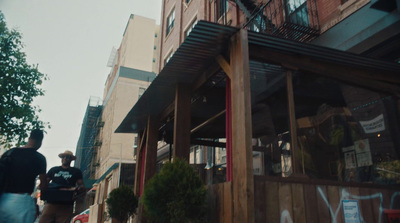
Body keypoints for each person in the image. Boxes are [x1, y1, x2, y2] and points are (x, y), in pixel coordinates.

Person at [0, 129, 48, 223]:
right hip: (21, 201)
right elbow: (43, 186)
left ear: (29, 138)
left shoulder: (9, 153)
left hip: (2, 199)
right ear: (40, 141)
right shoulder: (39, 158)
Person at [39, 150, 85, 223]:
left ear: (71, 159)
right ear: (61, 158)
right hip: (51, 202)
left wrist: (79, 189)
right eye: (64, 157)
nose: (65, 158)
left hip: (66, 204)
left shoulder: (76, 171)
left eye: (68, 157)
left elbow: (81, 185)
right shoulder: (54, 170)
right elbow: (45, 183)